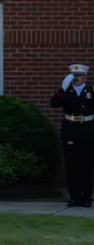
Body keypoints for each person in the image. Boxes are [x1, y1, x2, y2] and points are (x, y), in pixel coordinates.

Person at [50, 63, 94, 207]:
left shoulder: (91, 91)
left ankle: (87, 197)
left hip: (88, 130)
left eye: (79, 76)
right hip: (71, 130)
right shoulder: (66, 92)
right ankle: (74, 197)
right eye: (74, 76)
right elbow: (54, 104)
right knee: (72, 166)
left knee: (87, 165)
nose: (77, 79)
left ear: (85, 77)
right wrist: (62, 88)